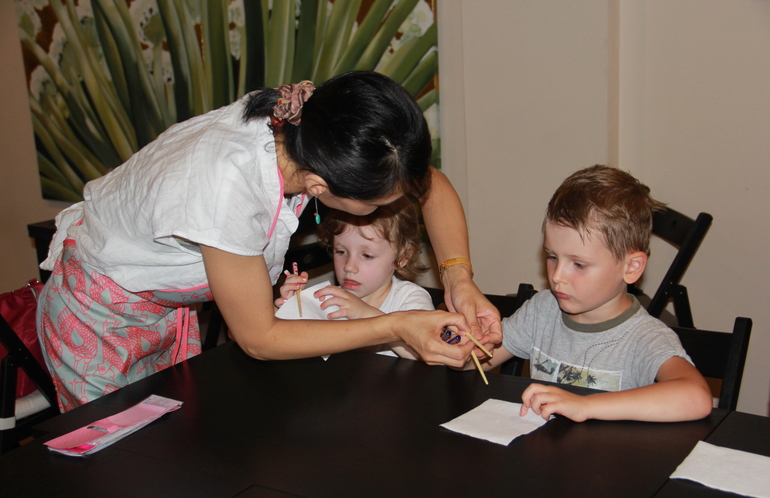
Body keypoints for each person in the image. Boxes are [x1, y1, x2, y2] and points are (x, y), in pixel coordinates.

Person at [37, 71, 500, 412]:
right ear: (319, 188)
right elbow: (259, 337)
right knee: (119, 460)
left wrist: (459, 280)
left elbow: (431, 186)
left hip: (162, 306)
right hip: (100, 314)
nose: (399, 203)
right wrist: (397, 326)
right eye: (384, 202)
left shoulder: (315, 133)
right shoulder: (228, 190)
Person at [473, 165, 712, 422]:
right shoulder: (542, 310)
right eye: (552, 257)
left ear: (631, 268)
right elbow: (477, 360)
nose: (557, 276)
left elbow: (696, 397)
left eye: (579, 264)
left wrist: (585, 405)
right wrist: (459, 344)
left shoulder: (644, 338)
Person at [277, 196, 433, 358]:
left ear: (402, 258)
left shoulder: (410, 300)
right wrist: (289, 310)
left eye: (367, 255)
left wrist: (365, 314)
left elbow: (426, 354)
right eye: (341, 251)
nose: (349, 266)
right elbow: (289, 344)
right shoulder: (329, 299)